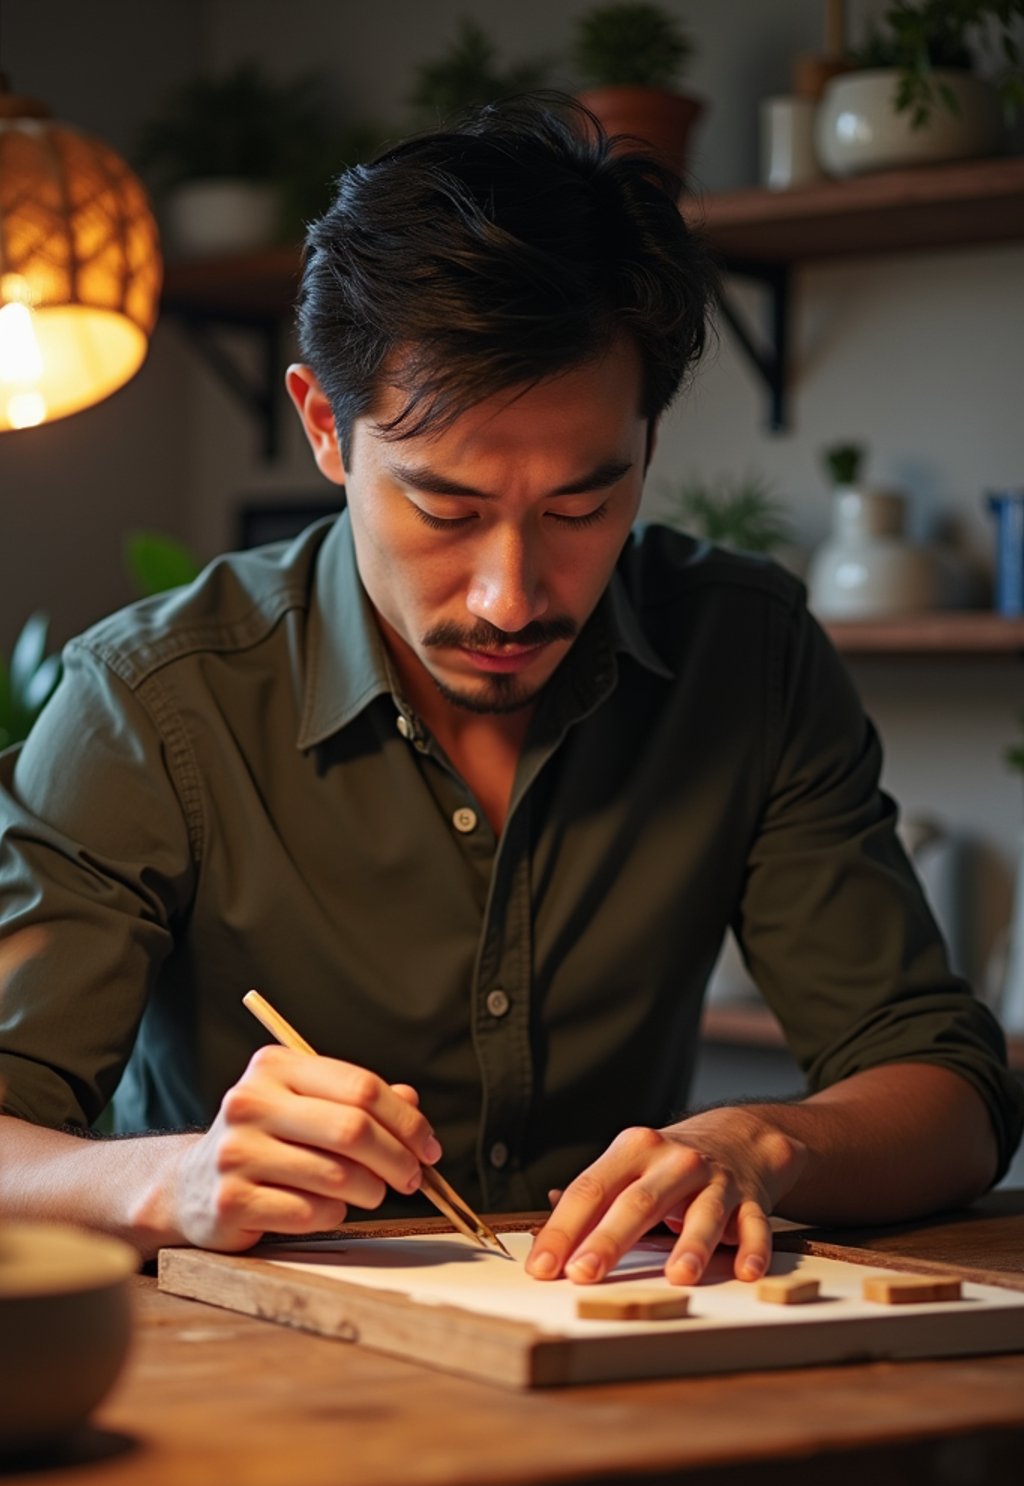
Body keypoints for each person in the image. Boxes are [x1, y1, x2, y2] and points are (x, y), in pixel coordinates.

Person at [0, 99, 1020, 1289]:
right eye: (447, 508)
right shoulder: (152, 700)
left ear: (647, 441)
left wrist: (760, 1142)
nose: (510, 596)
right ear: (326, 427)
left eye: (581, 510)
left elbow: (947, 1087)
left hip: (614, 1353)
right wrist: (169, 1180)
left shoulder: (744, 652)